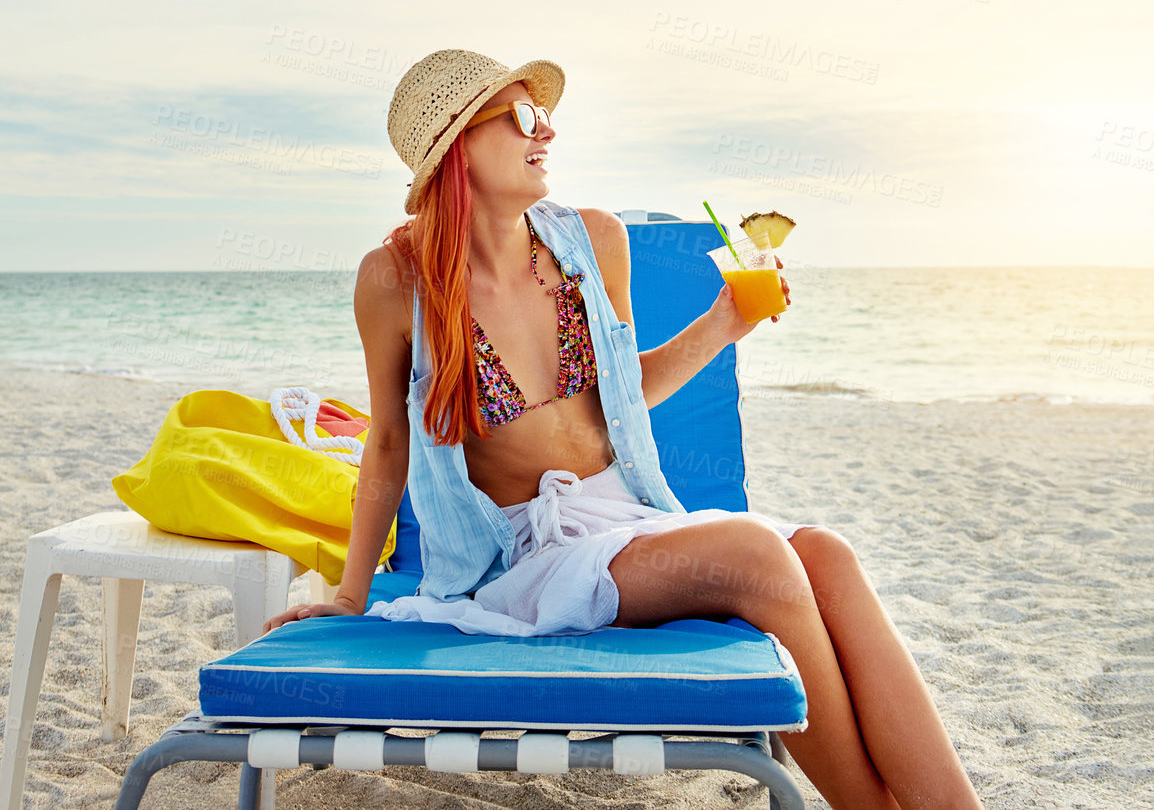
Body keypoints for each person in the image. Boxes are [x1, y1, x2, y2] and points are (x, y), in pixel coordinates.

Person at [265, 49, 984, 810]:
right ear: (456, 149)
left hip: (624, 516)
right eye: (521, 117)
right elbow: (388, 440)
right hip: (523, 555)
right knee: (757, 557)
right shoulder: (396, 280)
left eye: (544, 115)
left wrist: (723, 323)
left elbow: (621, 394)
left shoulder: (591, 242)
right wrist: (350, 594)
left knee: (827, 555)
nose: (547, 131)